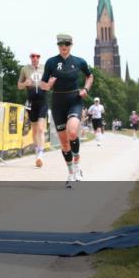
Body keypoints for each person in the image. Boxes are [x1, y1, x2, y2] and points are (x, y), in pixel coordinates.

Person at [41, 33, 94, 187]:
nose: (64, 47)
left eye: (66, 44)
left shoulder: (79, 61)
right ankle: (70, 172)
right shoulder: (51, 62)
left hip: (74, 100)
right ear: (58, 46)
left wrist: (85, 89)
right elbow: (43, 85)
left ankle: (77, 166)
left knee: (72, 132)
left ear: (71, 45)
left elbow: (90, 76)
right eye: (61, 44)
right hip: (58, 103)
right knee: (64, 143)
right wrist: (49, 85)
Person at [18, 52, 48, 167]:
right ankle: (37, 150)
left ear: (40, 58)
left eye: (37, 56)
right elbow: (19, 86)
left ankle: (40, 154)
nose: (35, 58)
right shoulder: (25, 69)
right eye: (33, 56)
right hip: (30, 102)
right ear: (30, 57)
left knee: (41, 128)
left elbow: (50, 85)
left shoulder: (45, 68)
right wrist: (25, 83)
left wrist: (48, 84)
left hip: (42, 100)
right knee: (34, 130)